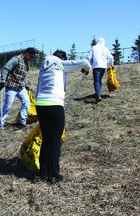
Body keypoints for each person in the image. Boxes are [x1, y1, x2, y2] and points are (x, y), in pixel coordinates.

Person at [35, 50, 91, 183]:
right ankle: (54, 175)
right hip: (54, 104)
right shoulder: (60, 63)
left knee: (46, 139)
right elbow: (85, 62)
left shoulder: (43, 67)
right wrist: (86, 69)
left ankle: (42, 173)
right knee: (55, 141)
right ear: (62, 58)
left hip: (40, 104)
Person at [0, 47, 36, 131]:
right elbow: (5, 69)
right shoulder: (16, 59)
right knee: (7, 107)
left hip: (21, 88)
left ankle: (21, 122)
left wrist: (26, 85)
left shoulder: (26, 64)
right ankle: (0, 125)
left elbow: (23, 76)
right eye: (31, 56)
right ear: (27, 53)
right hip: (11, 87)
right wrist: (3, 81)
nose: (31, 59)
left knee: (26, 103)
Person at [87, 37, 114, 103]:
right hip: (103, 66)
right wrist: (111, 64)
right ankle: (98, 93)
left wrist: (88, 64)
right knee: (99, 80)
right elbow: (111, 57)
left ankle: (98, 95)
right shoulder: (105, 49)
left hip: (96, 66)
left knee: (96, 81)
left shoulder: (94, 48)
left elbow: (89, 57)